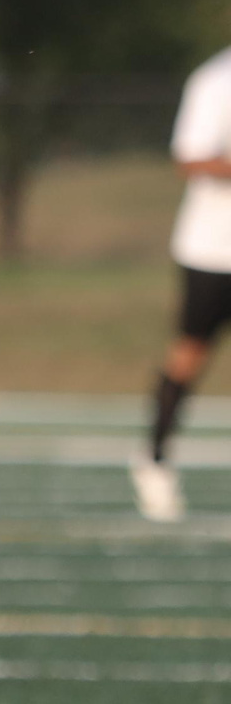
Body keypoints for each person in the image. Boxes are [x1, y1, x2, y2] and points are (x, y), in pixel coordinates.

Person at [132, 46, 231, 523]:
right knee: (191, 353)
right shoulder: (216, 79)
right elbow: (189, 158)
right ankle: (154, 459)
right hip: (215, 249)